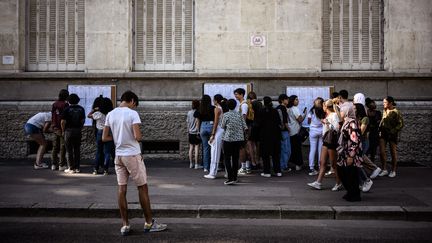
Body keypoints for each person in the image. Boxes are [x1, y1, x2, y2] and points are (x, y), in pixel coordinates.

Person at [102, 90, 167, 236]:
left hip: (118, 156)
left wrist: (119, 138)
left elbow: (104, 137)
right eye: (134, 105)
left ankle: (125, 225)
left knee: (121, 189)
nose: (134, 107)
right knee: (142, 188)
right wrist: (132, 137)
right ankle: (149, 223)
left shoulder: (111, 114)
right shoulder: (132, 114)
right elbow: (138, 136)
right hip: (132, 154)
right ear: (132, 101)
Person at [307, 99, 341, 190]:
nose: (322, 107)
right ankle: (318, 182)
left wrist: (327, 123)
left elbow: (337, 129)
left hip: (331, 141)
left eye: (323, 106)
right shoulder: (328, 115)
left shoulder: (334, 115)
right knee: (322, 162)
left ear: (326, 107)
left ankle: (339, 182)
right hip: (326, 140)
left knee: (333, 164)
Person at [337, 106, 363, 202]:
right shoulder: (346, 122)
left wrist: (351, 156)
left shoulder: (352, 123)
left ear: (347, 112)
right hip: (344, 153)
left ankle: (354, 195)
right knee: (344, 172)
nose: (340, 113)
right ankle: (350, 192)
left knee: (351, 174)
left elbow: (354, 140)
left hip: (350, 154)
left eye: (342, 111)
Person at [221, 99, 247, 185]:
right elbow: (245, 126)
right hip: (239, 139)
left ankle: (230, 178)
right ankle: (235, 177)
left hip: (228, 139)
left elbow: (222, 126)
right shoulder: (239, 114)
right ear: (235, 105)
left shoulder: (226, 115)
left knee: (227, 158)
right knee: (235, 158)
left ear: (227, 106)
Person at [256, 96, 282, 177]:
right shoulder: (275, 111)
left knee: (265, 154)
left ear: (264, 102)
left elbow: (258, 123)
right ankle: (278, 171)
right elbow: (279, 122)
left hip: (264, 135)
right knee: (276, 154)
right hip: (275, 134)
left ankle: (267, 172)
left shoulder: (261, 111)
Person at [378, 96, 404, 178]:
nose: (383, 104)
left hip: (392, 134)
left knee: (393, 152)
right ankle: (384, 169)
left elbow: (401, 124)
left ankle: (393, 170)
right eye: (383, 102)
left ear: (390, 103)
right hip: (383, 133)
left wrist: (393, 131)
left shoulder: (396, 112)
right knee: (382, 151)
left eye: (385, 102)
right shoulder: (384, 110)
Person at [88, 97, 115, 175]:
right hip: (108, 132)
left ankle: (95, 169)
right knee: (107, 152)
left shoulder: (98, 114)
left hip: (99, 133)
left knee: (98, 151)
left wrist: (94, 109)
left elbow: (89, 115)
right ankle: (105, 170)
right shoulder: (111, 114)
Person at [61, 94, 85, 174]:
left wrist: (63, 130)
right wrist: (80, 128)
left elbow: (63, 121)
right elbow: (82, 120)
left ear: (68, 101)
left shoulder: (66, 109)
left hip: (68, 131)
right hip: (78, 130)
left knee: (69, 150)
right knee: (77, 149)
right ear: (78, 100)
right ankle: (77, 168)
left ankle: (71, 168)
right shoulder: (81, 109)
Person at [205, 94, 224, 179]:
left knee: (214, 152)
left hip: (218, 131)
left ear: (216, 100)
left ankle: (212, 173)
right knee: (220, 152)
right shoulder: (221, 108)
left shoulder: (217, 109)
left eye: (214, 99)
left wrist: (212, 134)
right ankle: (215, 172)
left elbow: (216, 122)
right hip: (221, 130)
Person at [194, 95, 215, 172]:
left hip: (202, 127)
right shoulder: (213, 108)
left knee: (205, 148)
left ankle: (206, 167)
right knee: (213, 148)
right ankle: (213, 166)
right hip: (211, 126)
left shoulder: (199, 109)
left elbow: (198, 121)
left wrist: (198, 131)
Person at [51, 89, 69, 171]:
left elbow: (53, 115)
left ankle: (53, 164)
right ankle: (61, 164)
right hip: (62, 127)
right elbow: (65, 117)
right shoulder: (65, 105)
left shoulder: (54, 104)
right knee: (62, 147)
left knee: (55, 146)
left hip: (55, 127)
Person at [287, 95, 306, 171]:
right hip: (296, 131)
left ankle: (291, 163)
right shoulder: (295, 109)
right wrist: (304, 114)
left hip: (290, 131)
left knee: (292, 148)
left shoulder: (288, 109)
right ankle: (298, 164)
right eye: (296, 100)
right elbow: (300, 120)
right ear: (292, 101)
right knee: (297, 149)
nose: (298, 101)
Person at [234, 88, 251, 174]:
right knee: (245, 148)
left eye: (237, 94)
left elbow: (244, 117)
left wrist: (242, 128)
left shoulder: (243, 105)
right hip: (244, 129)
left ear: (241, 95)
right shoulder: (243, 104)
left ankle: (244, 167)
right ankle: (247, 167)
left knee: (242, 148)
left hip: (243, 129)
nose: (235, 96)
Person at [307, 97, 325, 176]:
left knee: (312, 149)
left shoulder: (311, 111)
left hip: (313, 131)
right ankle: (320, 166)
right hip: (321, 130)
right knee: (320, 150)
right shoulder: (323, 111)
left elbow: (308, 121)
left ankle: (311, 168)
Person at [245, 91, 262, 171]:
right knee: (257, 145)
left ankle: (253, 162)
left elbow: (248, 117)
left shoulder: (249, 104)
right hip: (259, 126)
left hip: (251, 126)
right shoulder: (260, 103)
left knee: (250, 144)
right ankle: (258, 161)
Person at [276, 94, 291, 172]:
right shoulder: (283, 108)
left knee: (282, 149)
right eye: (286, 99)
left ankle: (282, 165)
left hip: (279, 131)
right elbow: (285, 121)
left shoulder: (277, 108)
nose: (288, 101)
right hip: (284, 131)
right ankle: (283, 166)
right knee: (286, 149)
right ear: (282, 100)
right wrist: (289, 129)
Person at [365, 98, 382, 163]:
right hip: (368, 134)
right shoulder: (366, 113)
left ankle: (372, 165)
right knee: (366, 151)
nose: (375, 104)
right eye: (373, 103)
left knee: (373, 152)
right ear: (369, 105)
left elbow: (378, 123)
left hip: (375, 134)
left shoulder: (378, 113)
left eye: (374, 103)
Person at [186, 100, 201, 169]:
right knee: (196, 148)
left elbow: (188, 122)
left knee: (191, 148)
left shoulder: (189, 112)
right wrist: (198, 132)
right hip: (196, 132)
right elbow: (197, 123)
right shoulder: (198, 112)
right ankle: (196, 164)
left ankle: (191, 163)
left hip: (190, 132)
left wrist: (188, 130)